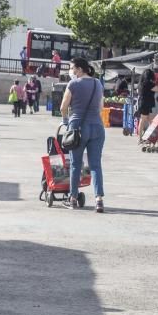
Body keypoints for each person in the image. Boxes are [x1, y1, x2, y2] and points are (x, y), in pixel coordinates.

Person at [59, 57, 106, 212]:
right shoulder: (97, 83)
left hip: (77, 127)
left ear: (79, 69)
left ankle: (72, 198)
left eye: (72, 68)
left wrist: (66, 122)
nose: (71, 71)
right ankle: (99, 199)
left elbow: (63, 107)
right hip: (97, 127)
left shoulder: (73, 84)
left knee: (75, 164)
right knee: (95, 165)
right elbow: (100, 107)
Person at [136, 68, 158, 143]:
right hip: (146, 103)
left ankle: (154, 136)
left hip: (143, 103)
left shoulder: (141, 83)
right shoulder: (148, 83)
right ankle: (140, 138)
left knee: (150, 120)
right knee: (143, 121)